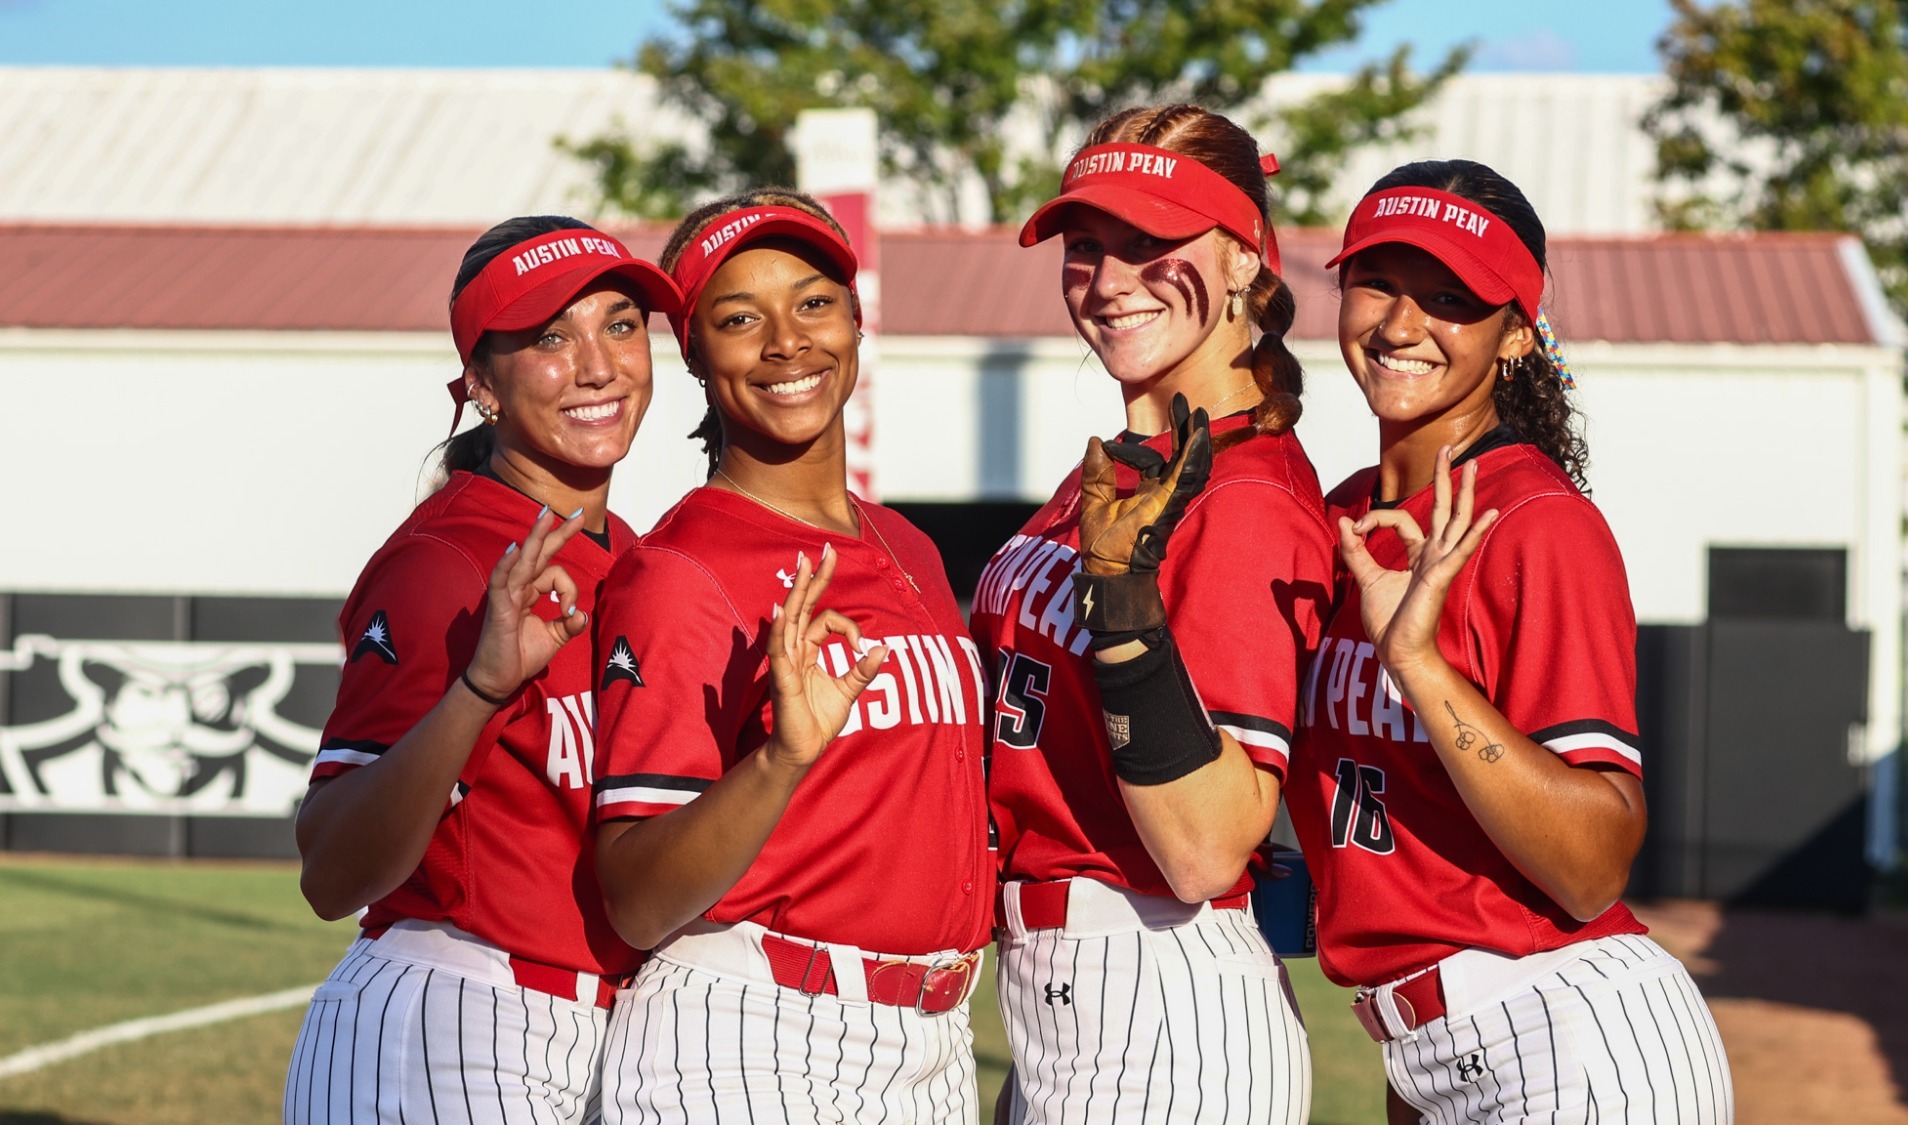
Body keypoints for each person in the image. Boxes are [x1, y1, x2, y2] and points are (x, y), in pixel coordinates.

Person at [1291, 159, 1734, 1123]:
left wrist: (1419, 666)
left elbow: (1593, 865)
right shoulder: (1337, 518)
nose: (1401, 324)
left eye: (1451, 298)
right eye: (1378, 282)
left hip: (1574, 1036)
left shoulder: (1536, 523)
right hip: (1433, 1047)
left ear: (1517, 334)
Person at [590, 189, 991, 1124]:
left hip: (934, 1045)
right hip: (756, 1034)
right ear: (694, 355)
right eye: (740, 319)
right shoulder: (682, 569)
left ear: (856, 318)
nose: (786, 342)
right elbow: (635, 899)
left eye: (813, 303)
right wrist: (780, 759)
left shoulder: (909, 546)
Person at [971, 105, 1331, 1124]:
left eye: (1150, 240)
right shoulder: (1125, 470)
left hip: (1159, 987)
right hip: (1072, 998)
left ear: (1243, 257)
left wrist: (1122, 609)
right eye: (1087, 246)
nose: (1109, 280)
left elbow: (1206, 847)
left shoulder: (1244, 495)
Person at [283, 218, 681, 1124]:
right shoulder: (446, 562)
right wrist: (480, 691)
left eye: (621, 325)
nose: (598, 366)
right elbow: (332, 871)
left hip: (604, 1036)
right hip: (450, 1026)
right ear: (481, 386)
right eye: (551, 338)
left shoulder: (636, 558)